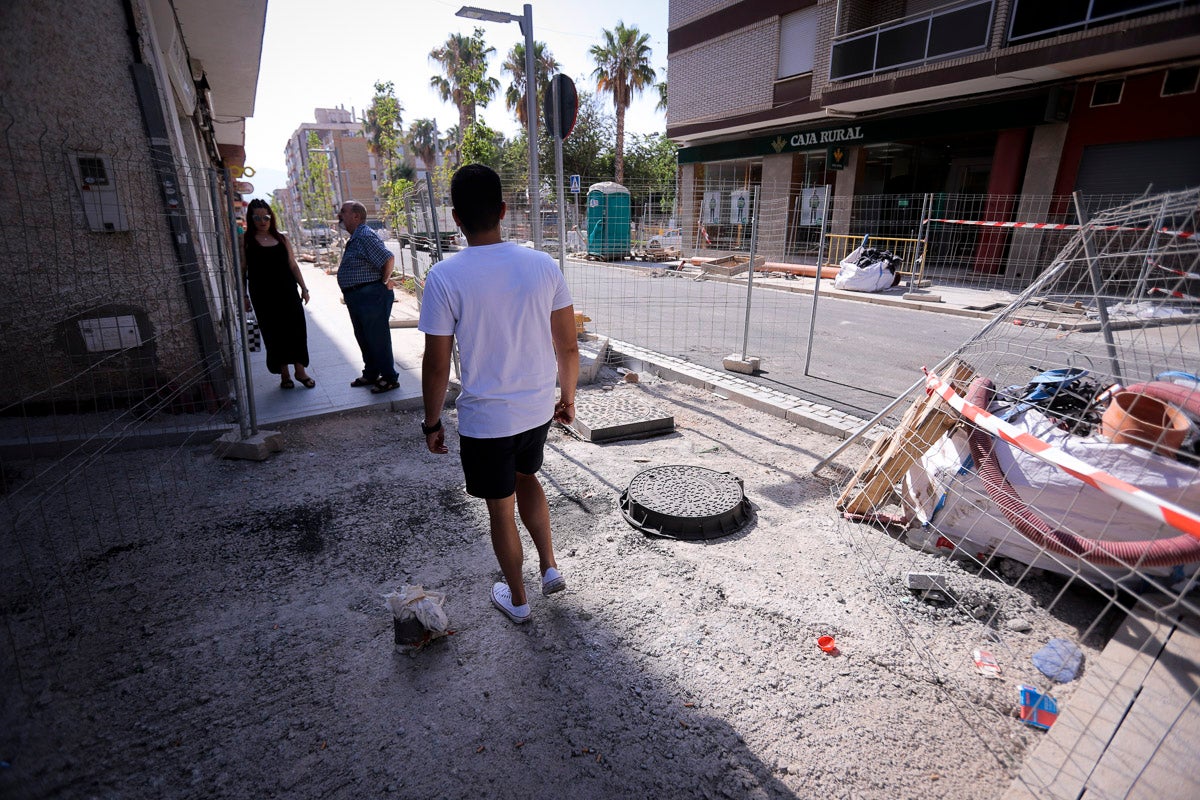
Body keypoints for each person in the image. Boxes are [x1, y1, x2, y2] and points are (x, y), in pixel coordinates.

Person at [419, 164, 579, 625]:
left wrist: (432, 423)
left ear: (456, 218)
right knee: (528, 478)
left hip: (487, 420)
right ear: (504, 211)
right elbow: (568, 345)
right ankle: (549, 567)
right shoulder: (543, 264)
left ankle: (519, 600)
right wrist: (567, 397)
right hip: (535, 409)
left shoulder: (445, 277)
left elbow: (436, 362)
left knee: (499, 508)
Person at [241, 199, 315, 389]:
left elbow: (293, 265)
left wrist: (304, 288)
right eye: (257, 217)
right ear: (251, 218)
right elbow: (241, 271)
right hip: (263, 296)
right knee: (274, 333)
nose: (262, 221)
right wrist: (243, 296)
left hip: (288, 292)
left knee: (297, 329)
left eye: (266, 216)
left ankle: (300, 372)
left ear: (271, 217)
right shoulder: (246, 242)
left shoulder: (282, 238)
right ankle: (284, 375)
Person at [336, 200, 399, 393]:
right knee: (364, 337)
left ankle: (389, 378)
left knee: (377, 337)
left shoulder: (364, 235)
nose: (340, 215)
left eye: (343, 212)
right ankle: (372, 372)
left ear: (356, 216)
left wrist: (383, 281)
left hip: (370, 295)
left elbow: (388, 258)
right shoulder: (356, 237)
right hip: (358, 296)